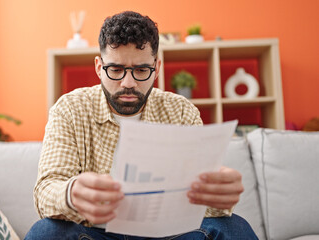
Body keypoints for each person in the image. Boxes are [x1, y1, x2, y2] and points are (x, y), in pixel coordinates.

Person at [25, 11, 258, 240]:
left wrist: (217, 196)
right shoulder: (69, 109)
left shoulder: (181, 111)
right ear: (99, 67)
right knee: (46, 232)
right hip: (94, 233)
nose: (128, 83)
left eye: (141, 70)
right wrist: (71, 194)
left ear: (156, 68)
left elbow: (203, 207)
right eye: (115, 70)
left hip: (169, 235)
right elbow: (46, 192)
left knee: (233, 228)